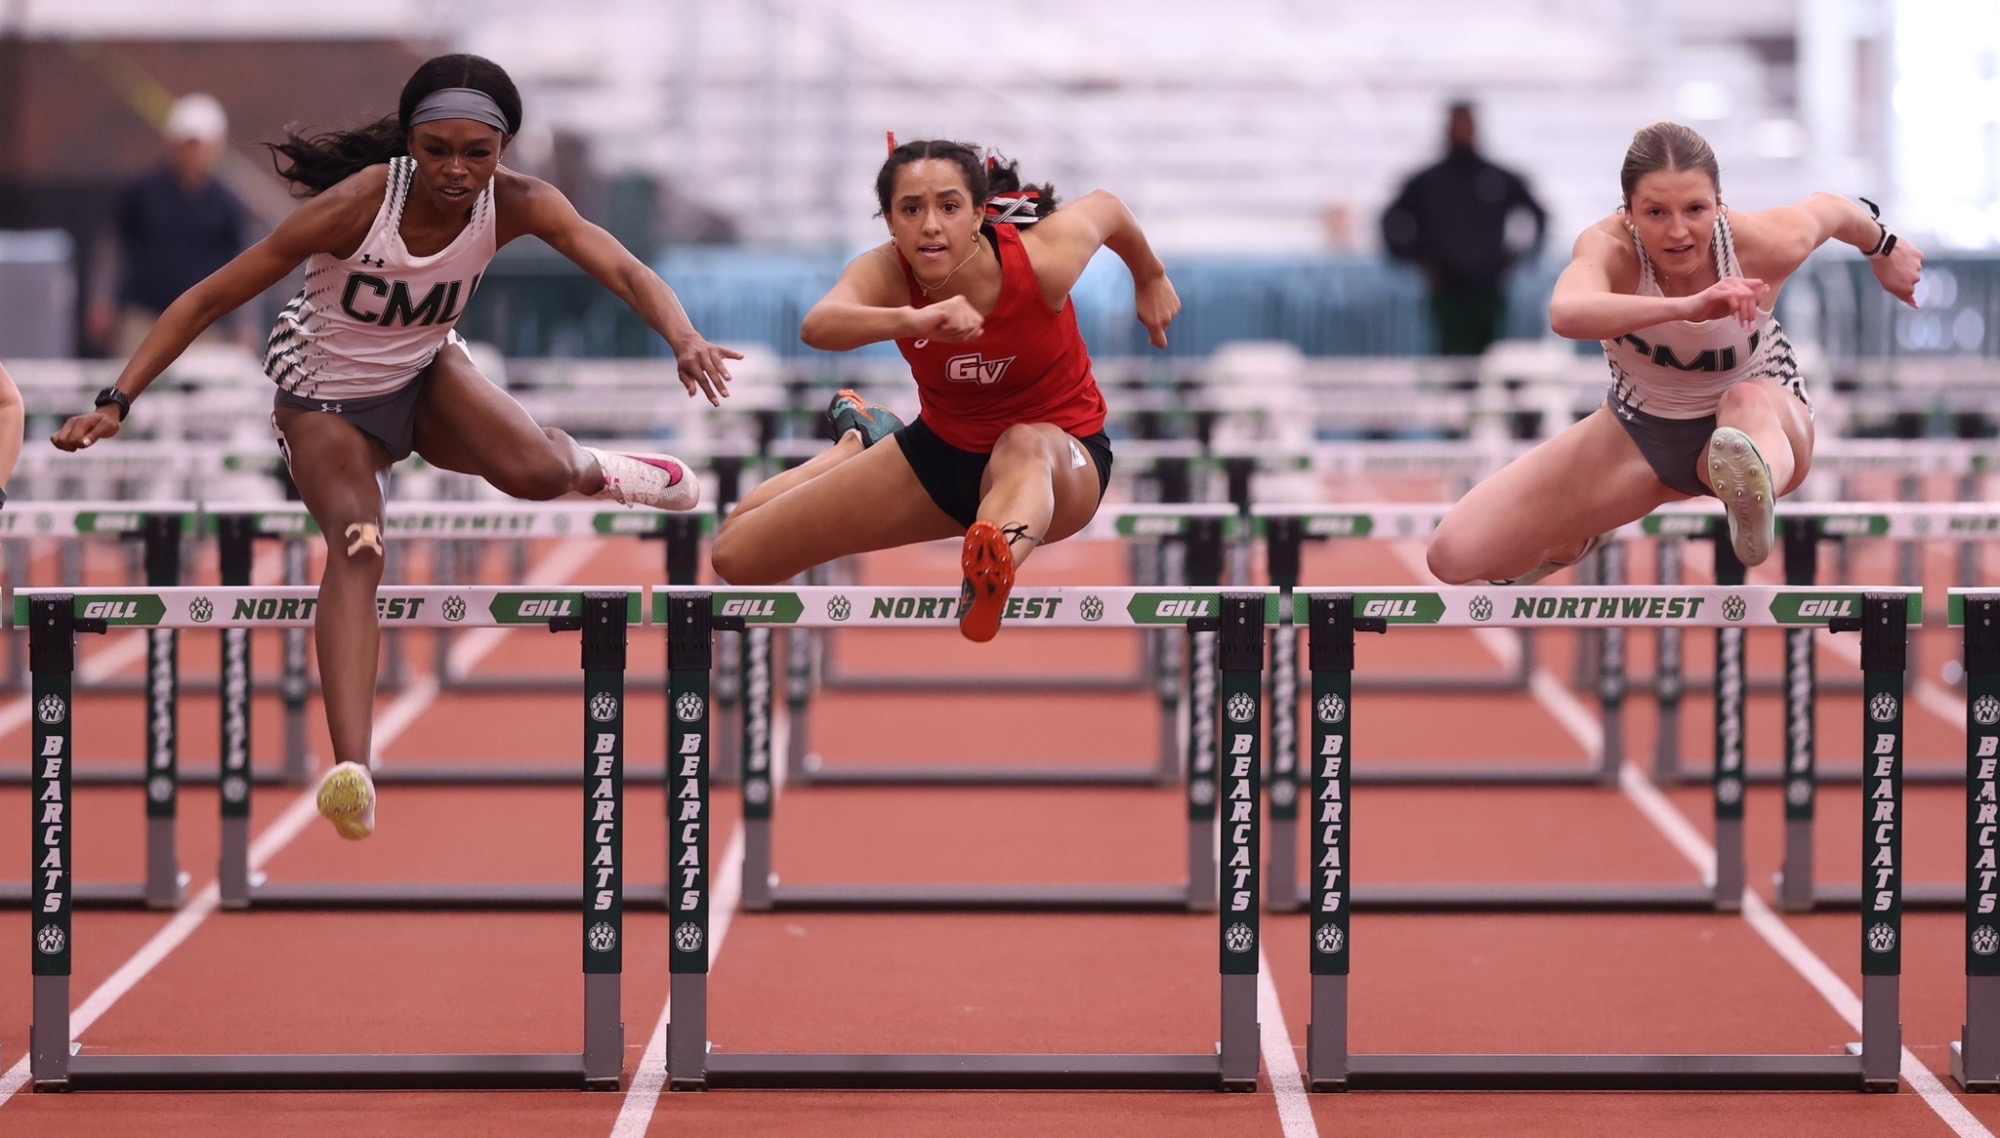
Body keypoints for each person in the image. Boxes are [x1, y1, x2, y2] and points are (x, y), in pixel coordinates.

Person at [49, 54, 739, 841]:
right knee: (359, 544)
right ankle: (353, 769)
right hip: (323, 404)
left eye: (477, 154)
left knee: (540, 473)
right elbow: (208, 299)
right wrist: (117, 400)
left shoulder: (520, 202)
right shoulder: (355, 206)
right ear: (409, 142)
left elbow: (624, 268)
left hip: (425, 373)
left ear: (504, 150)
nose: (456, 171)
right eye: (436, 150)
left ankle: (597, 469)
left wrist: (683, 336)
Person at [707, 137, 1178, 642]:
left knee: (1021, 442)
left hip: (1060, 466)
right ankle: (857, 447)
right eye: (911, 209)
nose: (930, 225)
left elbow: (1108, 207)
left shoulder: (1044, 259)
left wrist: (1150, 275)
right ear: (891, 223)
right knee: (737, 556)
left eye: (949, 207)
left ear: (977, 215)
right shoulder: (886, 270)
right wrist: (916, 318)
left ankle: (990, 572)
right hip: (941, 459)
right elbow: (819, 326)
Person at [1425, 121, 1924, 586]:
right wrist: (1689, 306)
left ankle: (1754, 494)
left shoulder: (1762, 244)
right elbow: (1566, 312)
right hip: (1641, 433)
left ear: (1719, 204)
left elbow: (1831, 210)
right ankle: (1584, 530)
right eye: (1656, 213)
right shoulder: (1609, 249)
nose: (1678, 231)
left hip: (1764, 421)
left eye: (1695, 210)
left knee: (1743, 403)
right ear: (1628, 212)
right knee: (1453, 556)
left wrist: (1884, 247)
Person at [89, 93, 253, 358]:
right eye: (187, 144)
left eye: (200, 145)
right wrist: (102, 300)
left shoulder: (226, 202)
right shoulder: (143, 192)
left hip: (204, 323)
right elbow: (113, 247)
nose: (194, 153)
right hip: (144, 318)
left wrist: (244, 323)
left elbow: (243, 263)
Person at [1381, 101, 1547, 357]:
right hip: (1445, 288)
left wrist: (1516, 259)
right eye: (1457, 125)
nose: (1462, 132)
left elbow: (1537, 214)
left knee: (1490, 356)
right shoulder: (1428, 181)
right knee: (1449, 356)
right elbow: (1391, 218)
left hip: (1489, 286)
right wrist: (1416, 259)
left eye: (1467, 125)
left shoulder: (1498, 177)